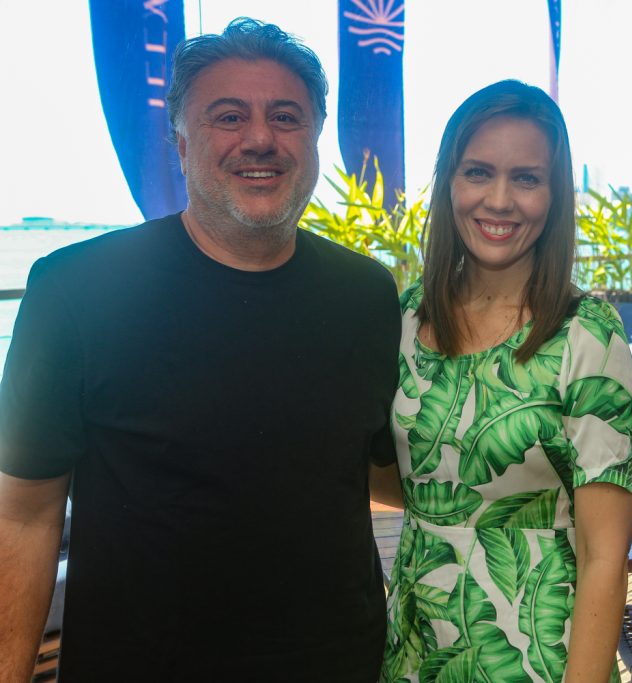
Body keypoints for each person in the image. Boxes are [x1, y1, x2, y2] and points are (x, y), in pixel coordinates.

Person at [0, 18, 400, 682]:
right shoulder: (75, 290)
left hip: (337, 661)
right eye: (228, 116)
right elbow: (23, 513)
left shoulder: (366, 294)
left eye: (286, 116)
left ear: (315, 140)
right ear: (181, 143)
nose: (261, 138)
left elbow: (388, 469)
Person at [372, 80, 632, 683]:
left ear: (553, 195)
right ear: (448, 182)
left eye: (525, 178)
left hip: (537, 656)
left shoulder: (586, 337)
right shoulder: (404, 319)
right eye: (477, 172)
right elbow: (407, 475)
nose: (499, 200)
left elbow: (606, 556)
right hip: (415, 653)